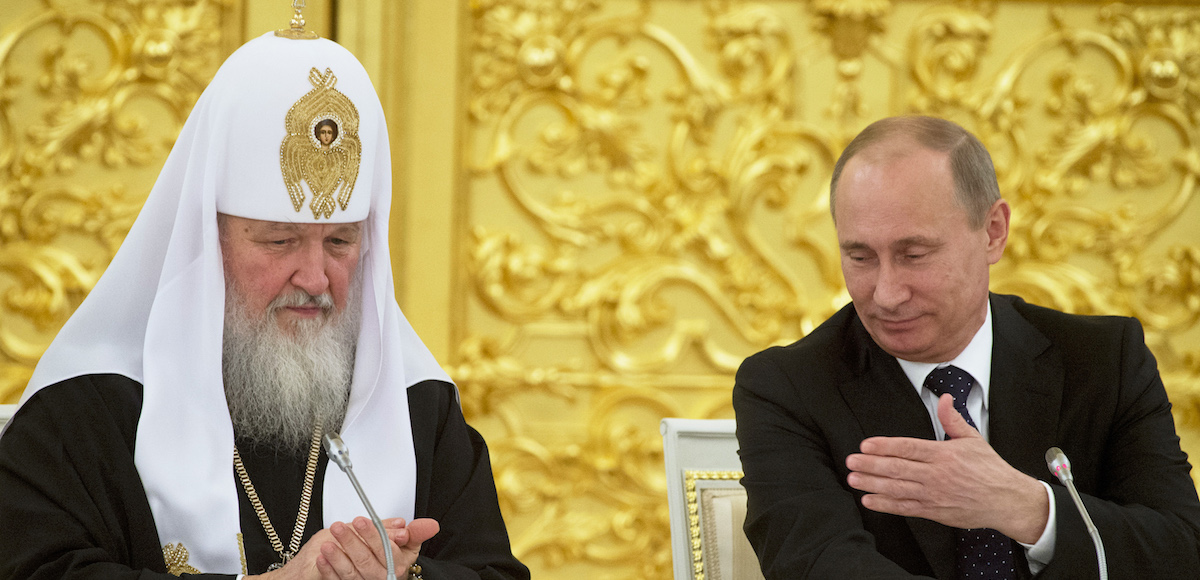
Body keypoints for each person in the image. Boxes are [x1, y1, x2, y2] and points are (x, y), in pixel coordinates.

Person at [0, 31, 529, 580]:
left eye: (341, 242)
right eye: (280, 242)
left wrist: (401, 577)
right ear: (208, 241)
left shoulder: (415, 406)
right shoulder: (86, 410)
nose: (316, 277)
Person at [733, 115, 1200, 579]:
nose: (886, 293)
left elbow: (1181, 550)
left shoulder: (1103, 360)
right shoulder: (788, 388)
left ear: (993, 231)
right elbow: (818, 565)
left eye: (914, 255)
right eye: (860, 257)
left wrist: (1028, 508)